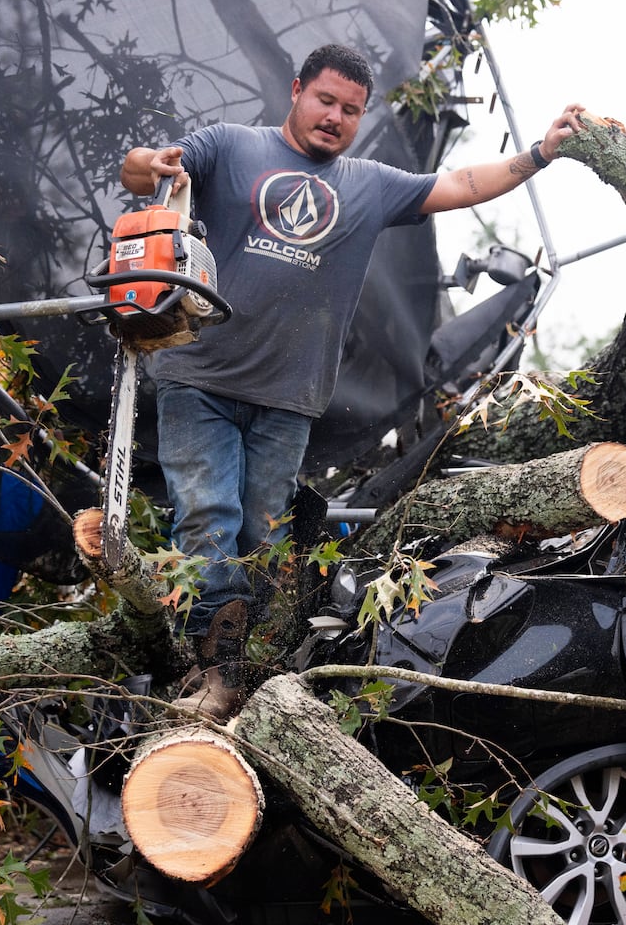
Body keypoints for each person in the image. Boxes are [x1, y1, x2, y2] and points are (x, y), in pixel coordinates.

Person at [119, 43, 583, 718]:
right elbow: (145, 171)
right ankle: (214, 673)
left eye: (351, 110)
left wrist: (539, 152)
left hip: (288, 398)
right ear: (297, 90)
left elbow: (463, 185)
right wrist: (146, 165)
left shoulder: (369, 183)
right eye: (325, 100)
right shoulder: (229, 146)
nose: (334, 117)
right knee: (207, 518)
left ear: (361, 118)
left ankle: (250, 669)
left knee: (262, 537)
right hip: (200, 377)